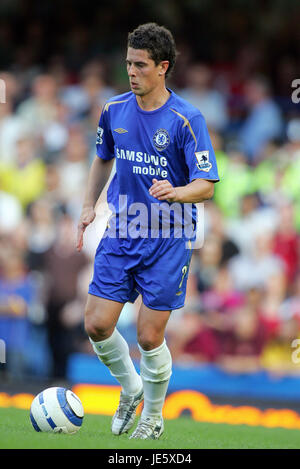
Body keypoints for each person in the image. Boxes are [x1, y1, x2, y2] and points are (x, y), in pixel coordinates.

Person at [76, 23, 219, 440]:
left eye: (140, 65)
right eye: (128, 63)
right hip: (123, 229)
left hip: (170, 237)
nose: (132, 72)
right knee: (97, 325)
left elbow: (207, 185)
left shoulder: (187, 119)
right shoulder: (114, 109)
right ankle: (131, 388)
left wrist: (176, 192)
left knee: (148, 335)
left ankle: (153, 418)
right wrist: (88, 205)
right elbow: (103, 157)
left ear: (163, 67)